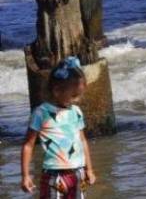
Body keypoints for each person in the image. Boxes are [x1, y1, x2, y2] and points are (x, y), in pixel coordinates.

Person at [20, 56, 96, 196]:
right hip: (54, 175)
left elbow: (83, 141)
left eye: (79, 95)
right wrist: (25, 175)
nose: (77, 100)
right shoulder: (41, 113)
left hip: (78, 173)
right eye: (74, 96)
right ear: (56, 91)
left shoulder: (76, 112)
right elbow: (28, 145)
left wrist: (89, 169)